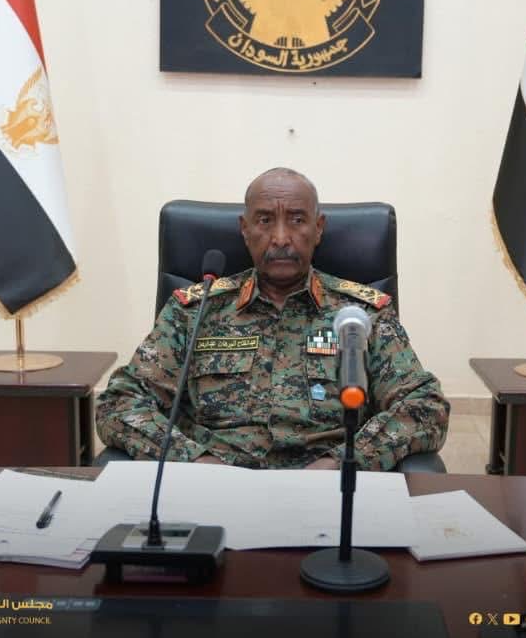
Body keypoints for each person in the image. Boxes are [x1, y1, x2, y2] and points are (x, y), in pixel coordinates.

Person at [96, 167, 449, 471]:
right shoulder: (194, 312)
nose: (280, 238)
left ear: (318, 228)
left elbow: (425, 406)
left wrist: (342, 463)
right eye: (265, 220)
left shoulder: (361, 315)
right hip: (213, 488)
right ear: (245, 228)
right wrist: (195, 461)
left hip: (328, 490)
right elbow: (119, 403)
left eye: (297, 220)